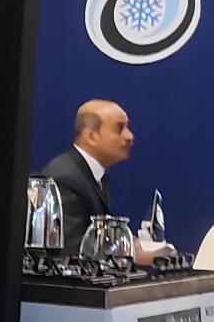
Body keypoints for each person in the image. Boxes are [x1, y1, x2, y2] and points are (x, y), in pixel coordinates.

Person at [37, 100, 173, 260]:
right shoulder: (65, 179)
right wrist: (135, 255)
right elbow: (72, 254)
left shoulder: (95, 175)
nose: (130, 136)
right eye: (119, 128)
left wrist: (131, 244)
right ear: (91, 136)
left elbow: (99, 240)